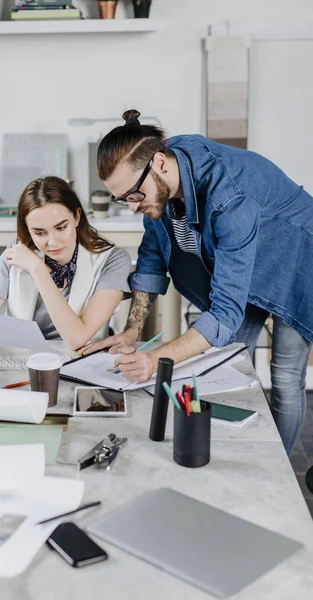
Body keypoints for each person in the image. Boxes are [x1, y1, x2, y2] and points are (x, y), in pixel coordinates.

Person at [79, 109, 313, 455]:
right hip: (243, 261)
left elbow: (223, 316)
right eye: (122, 197)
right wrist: (132, 332)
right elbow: (152, 261)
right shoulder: (161, 180)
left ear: (159, 162)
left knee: (284, 377)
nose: (130, 206)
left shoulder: (230, 195)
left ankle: (274, 467)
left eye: (133, 194)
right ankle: (233, 451)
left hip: (297, 258)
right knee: (230, 362)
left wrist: (156, 358)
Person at [0, 176, 131, 352]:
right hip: (24, 361)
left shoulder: (113, 260)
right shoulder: (17, 253)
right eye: (40, 233)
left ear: (77, 217)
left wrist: (38, 270)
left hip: (81, 362)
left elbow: (76, 339)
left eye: (61, 228)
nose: (52, 242)